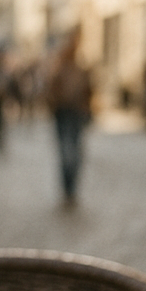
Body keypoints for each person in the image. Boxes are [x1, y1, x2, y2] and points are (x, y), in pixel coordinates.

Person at [45, 28, 93, 206]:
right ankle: (67, 189)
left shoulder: (82, 69)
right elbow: (51, 91)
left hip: (76, 115)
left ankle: (72, 189)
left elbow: (89, 91)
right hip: (63, 114)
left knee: (75, 153)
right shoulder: (59, 68)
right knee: (67, 153)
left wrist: (87, 108)